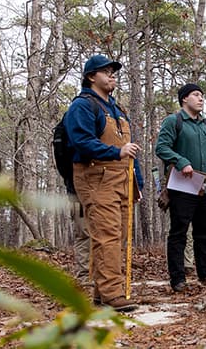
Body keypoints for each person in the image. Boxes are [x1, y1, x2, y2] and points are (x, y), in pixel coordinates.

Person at [64, 54, 144, 311]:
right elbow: (81, 141)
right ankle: (112, 294)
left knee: (115, 236)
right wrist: (115, 153)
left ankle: (102, 293)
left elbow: (129, 149)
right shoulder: (83, 106)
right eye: (105, 71)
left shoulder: (117, 109)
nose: (112, 76)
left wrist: (137, 183)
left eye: (113, 72)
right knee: (106, 235)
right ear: (90, 77)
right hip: (96, 177)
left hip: (121, 179)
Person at [155, 83, 206, 292]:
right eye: (196, 95)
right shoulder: (173, 121)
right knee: (179, 232)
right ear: (184, 99)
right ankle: (178, 279)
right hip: (182, 187)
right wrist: (180, 161)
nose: (201, 99)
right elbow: (162, 147)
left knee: (204, 233)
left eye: (202, 95)